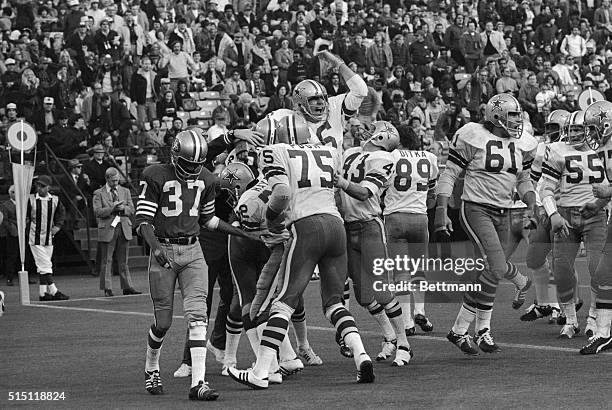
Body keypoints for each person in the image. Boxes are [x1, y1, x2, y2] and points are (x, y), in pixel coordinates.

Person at [229, 115, 375, 389]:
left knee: (283, 301)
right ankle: (361, 356)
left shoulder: (276, 151)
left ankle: (261, 372)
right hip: (335, 225)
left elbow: (281, 193)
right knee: (334, 303)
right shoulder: (328, 150)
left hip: (306, 226)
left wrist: (272, 222)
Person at [136, 127, 260, 400]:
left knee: (198, 317)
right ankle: (152, 366)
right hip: (165, 250)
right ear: (175, 155)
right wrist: (156, 248)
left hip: (193, 251)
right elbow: (143, 221)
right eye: (187, 164)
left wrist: (243, 233)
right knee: (163, 322)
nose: (192, 169)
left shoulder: (206, 178)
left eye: (196, 164)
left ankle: (198, 383)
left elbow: (209, 221)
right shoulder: (155, 175)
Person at [435, 94, 537, 355]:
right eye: (512, 115)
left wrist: (531, 203)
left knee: (489, 273)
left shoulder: (522, 143)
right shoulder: (472, 135)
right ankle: (479, 327)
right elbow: (450, 174)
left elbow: (524, 179)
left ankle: (467, 331)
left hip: (503, 211)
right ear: (495, 115)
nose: (518, 121)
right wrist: (441, 210)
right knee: (497, 266)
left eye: (518, 115)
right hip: (476, 208)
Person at [334, 121, 414, 365]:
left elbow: (364, 193)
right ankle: (389, 336)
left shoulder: (382, 158)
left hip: (369, 226)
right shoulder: (349, 153)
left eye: (373, 129)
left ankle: (404, 343)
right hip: (347, 227)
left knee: (381, 290)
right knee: (363, 296)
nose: (366, 132)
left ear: (381, 138)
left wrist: (340, 182)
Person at [539, 110, 607, 339]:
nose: (575, 134)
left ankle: (594, 318)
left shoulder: (602, 151)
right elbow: (545, 188)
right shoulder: (558, 150)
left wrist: (599, 204)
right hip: (565, 215)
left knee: (598, 270)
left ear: (590, 129)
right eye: (572, 129)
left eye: (579, 129)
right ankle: (570, 319)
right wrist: (553, 214)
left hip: (594, 216)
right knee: (562, 271)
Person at [384, 124, 439, 335]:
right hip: (419, 217)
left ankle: (407, 322)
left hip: (395, 216)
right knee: (418, 269)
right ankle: (421, 310)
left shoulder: (392, 156)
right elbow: (432, 195)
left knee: (400, 272)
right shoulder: (429, 157)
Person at [521, 110, 570, 324]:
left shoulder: (575, 150)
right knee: (534, 258)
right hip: (545, 208)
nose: (549, 132)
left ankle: (572, 310)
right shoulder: (542, 148)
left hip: (565, 209)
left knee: (562, 261)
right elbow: (533, 180)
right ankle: (547, 303)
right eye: (548, 127)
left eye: (554, 128)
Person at [580, 100, 612, 354]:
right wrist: (598, 203)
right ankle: (603, 332)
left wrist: (607, 190)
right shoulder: (605, 147)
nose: (590, 134)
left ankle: (603, 331)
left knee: (603, 273)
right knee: (603, 274)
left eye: (592, 128)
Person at [93, 167, 140, 297]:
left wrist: (123, 208)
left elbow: (132, 209)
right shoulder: (98, 193)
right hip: (108, 228)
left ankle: (127, 286)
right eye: (113, 181)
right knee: (106, 260)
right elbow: (97, 212)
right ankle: (107, 287)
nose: (115, 183)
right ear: (107, 179)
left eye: (117, 180)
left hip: (124, 227)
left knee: (123, 260)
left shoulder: (125, 191)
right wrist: (112, 208)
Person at [28, 175, 69, 301]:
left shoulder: (55, 200)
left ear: (48, 187)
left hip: (49, 237)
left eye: (43, 186)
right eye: (38, 185)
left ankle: (42, 293)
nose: (39, 188)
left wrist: (58, 226)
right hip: (34, 237)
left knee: (42, 266)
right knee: (46, 265)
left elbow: (62, 213)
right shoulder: (30, 200)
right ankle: (54, 290)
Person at [0, 185, 18, 286]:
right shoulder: (5, 205)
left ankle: (26, 277)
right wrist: (13, 229)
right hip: (12, 232)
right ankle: (9, 278)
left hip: (23, 231)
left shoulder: (23, 203)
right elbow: (5, 220)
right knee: (11, 255)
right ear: (11, 193)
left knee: (25, 255)